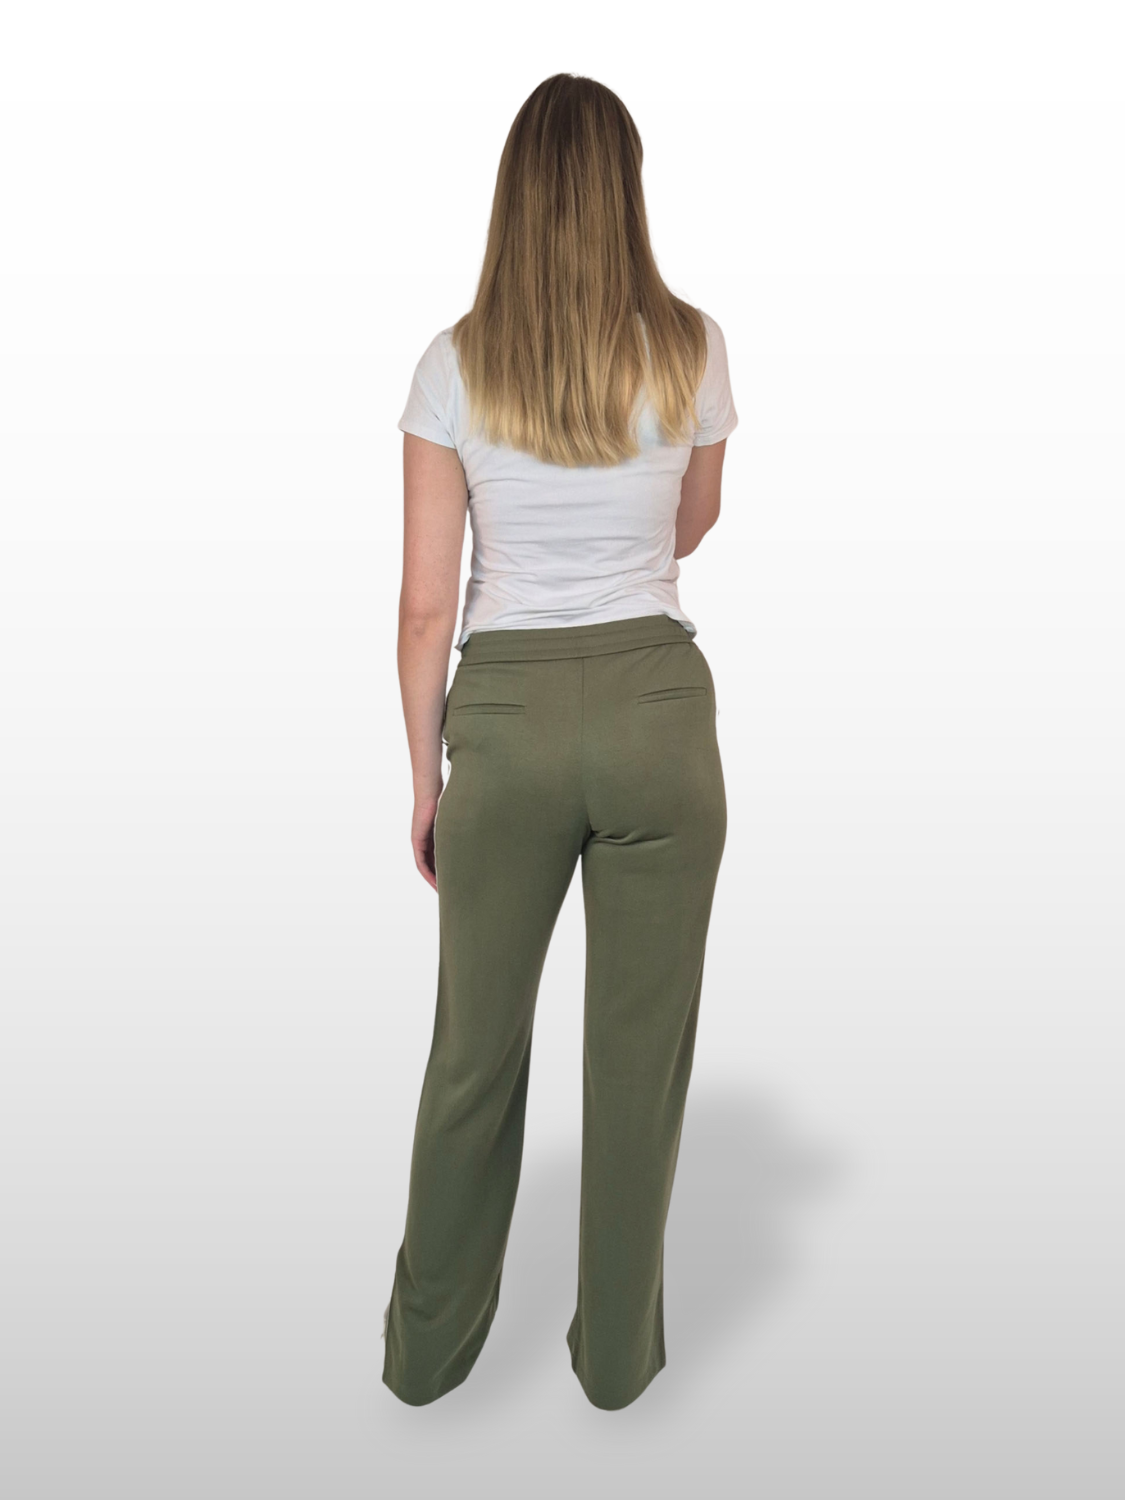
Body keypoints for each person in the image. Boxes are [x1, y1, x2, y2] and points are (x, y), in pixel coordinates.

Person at [381, 72, 737, 1411]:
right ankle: (617, 1367)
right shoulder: (693, 347)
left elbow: (426, 606)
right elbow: (689, 522)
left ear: (514, 197)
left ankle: (425, 1358)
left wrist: (428, 780)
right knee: (639, 1068)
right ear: (626, 193)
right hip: (657, 717)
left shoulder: (452, 365)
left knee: (473, 1054)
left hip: (510, 727)